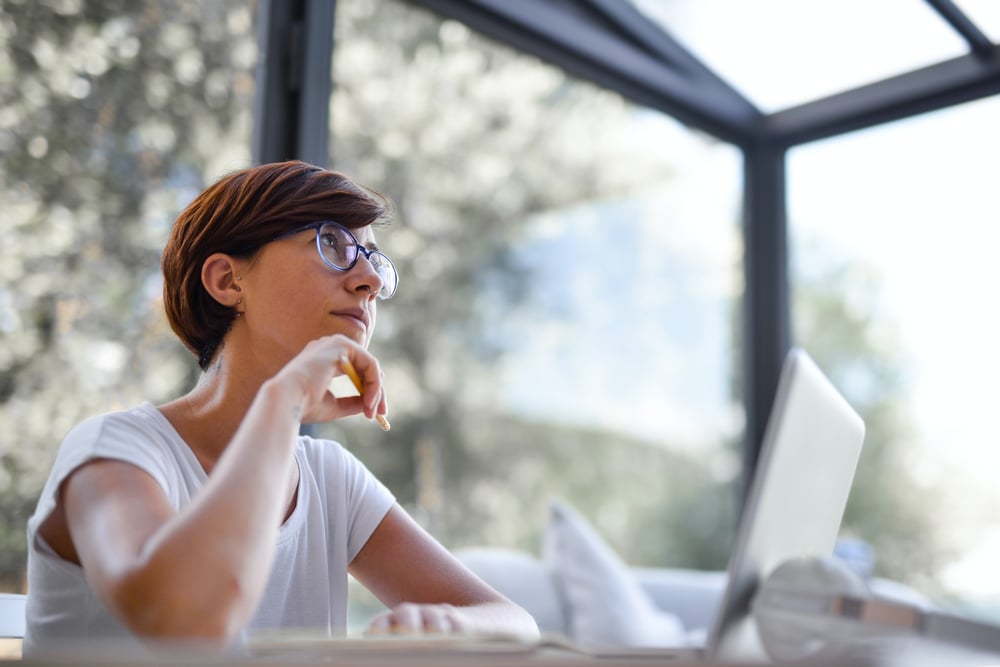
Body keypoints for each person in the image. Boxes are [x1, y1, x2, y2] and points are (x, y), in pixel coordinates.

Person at [23, 160, 539, 653]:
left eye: (374, 260)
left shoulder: (331, 479)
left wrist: (444, 624)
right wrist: (283, 400)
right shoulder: (115, 451)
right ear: (228, 281)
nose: (372, 281)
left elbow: (516, 625)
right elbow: (186, 623)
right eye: (332, 243)